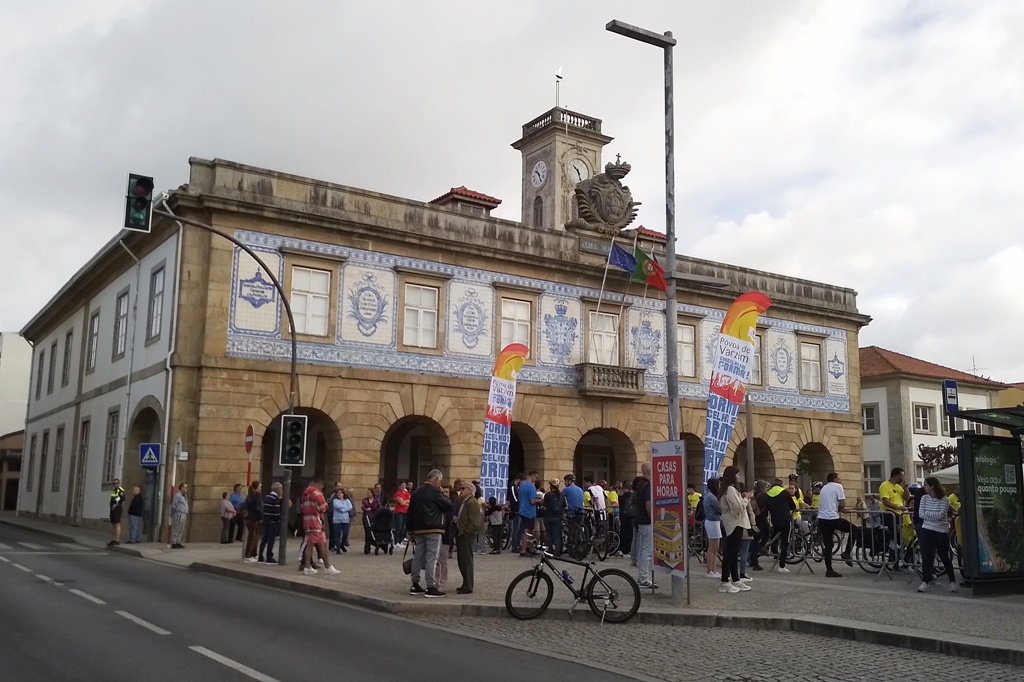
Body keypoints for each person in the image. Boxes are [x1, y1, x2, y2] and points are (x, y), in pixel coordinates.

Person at [408, 469, 452, 598]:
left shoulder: (416, 493)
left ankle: (415, 584)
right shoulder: (434, 492)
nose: (440, 484)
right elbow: (447, 505)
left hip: (418, 529)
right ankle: (430, 586)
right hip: (434, 528)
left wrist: (410, 531)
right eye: (440, 481)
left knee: (418, 556)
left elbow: (410, 513)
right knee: (432, 557)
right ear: (436, 479)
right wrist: (442, 493)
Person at [917, 476, 958, 593]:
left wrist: (928, 515)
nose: (924, 487)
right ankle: (925, 581)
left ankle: (952, 581)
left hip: (941, 531)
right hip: (927, 529)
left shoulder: (944, 499)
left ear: (932, 486)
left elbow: (941, 515)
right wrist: (931, 516)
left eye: (926, 485)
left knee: (944, 556)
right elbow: (921, 514)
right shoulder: (924, 498)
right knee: (926, 556)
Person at [718, 466, 751, 593]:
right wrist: (746, 499)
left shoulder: (727, 489)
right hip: (734, 523)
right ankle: (725, 581)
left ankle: (735, 579)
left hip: (734, 523)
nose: (738, 477)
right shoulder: (730, 489)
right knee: (730, 553)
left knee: (733, 552)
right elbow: (737, 508)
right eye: (737, 474)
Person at [817, 472, 854, 577]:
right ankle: (847, 552)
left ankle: (829, 569)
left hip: (822, 518)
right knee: (854, 529)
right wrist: (842, 509)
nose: (840, 480)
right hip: (832, 518)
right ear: (835, 479)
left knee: (828, 545)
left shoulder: (824, 488)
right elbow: (842, 504)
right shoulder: (838, 487)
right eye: (839, 478)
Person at [300, 477, 339, 576]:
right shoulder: (317, 493)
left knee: (310, 545)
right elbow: (323, 507)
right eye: (322, 487)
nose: (321, 489)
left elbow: (302, 508)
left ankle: (308, 566)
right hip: (316, 522)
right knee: (322, 544)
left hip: (307, 522)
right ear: (319, 485)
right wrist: (326, 504)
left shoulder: (305, 494)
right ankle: (327, 567)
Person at [456, 480, 481, 594]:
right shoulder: (465, 502)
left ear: (470, 491)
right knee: (462, 561)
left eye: (463, 489)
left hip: (467, 535)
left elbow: (475, 522)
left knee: (466, 561)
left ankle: (468, 585)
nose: (461, 491)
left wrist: (466, 532)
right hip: (461, 534)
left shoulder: (472, 502)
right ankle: (465, 583)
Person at [879, 467, 908, 566]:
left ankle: (895, 555)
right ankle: (892, 554)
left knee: (899, 537)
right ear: (897, 475)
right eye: (902, 475)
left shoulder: (899, 487)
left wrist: (905, 487)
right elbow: (885, 501)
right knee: (896, 532)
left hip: (899, 514)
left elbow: (906, 497)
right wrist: (898, 507)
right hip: (889, 513)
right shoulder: (885, 485)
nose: (903, 477)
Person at [765, 478, 795, 573]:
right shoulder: (784, 493)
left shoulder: (768, 494)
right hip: (785, 519)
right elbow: (793, 506)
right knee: (785, 542)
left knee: (775, 538)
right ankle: (782, 565)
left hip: (774, 519)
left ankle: (773, 553)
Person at [634, 463, 653, 588]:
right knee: (647, 550)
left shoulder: (639, 485)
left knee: (642, 549)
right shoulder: (648, 486)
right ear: (649, 471)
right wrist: (653, 518)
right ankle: (644, 578)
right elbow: (648, 505)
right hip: (647, 520)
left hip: (640, 520)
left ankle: (641, 576)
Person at [517, 471, 543, 557]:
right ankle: (524, 550)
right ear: (533, 476)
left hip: (522, 509)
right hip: (529, 512)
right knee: (528, 531)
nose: (536, 479)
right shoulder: (531, 486)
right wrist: (539, 500)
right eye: (536, 477)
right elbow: (532, 501)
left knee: (526, 530)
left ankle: (530, 548)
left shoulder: (522, 484)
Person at [737, 483, 757, 582]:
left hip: (734, 527)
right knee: (744, 551)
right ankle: (742, 573)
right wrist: (753, 524)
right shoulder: (745, 499)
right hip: (745, 526)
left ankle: (731, 573)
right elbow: (751, 513)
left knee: (734, 551)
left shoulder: (734, 497)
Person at [259, 482, 283, 564]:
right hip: (273, 522)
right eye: (281, 489)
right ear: (278, 490)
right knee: (271, 540)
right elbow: (276, 512)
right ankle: (269, 557)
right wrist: (279, 520)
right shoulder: (275, 499)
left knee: (265, 539)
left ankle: (260, 556)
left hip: (266, 520)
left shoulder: (267, 497)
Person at [704, 478, 723, 578]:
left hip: (712, 521)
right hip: (713, 521)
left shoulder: (708, 495)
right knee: (712, 547)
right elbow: (720, 509)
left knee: (715, 548)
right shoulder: (712, 497)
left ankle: (713, 570)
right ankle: (710, 570)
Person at [543, 480, 565, 556]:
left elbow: (544, 505)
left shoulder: (547, 495)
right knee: (557, 535)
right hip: (558, 518)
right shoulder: (561, 495)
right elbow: (564, 506)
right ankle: (558, 551)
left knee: (548, 534)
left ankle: (550, 551)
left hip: (548, 517)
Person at [243, 481, 264, 562]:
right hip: (254, 518)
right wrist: (261, 517)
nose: (261, 488)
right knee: (253, 537)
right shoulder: (257, 496)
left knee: (254, 536)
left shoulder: (250, 496)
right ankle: (249, 554)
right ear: (257, 487)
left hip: (249, 518)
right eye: (260, 486)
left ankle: (254, 553)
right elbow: (259, 508)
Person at [331, 486, 354, 554]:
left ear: (343, 494)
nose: (339, 494)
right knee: (337, 534)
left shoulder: (347, 500)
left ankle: (342, 544)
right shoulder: (335, 500)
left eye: (340, 493)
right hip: (337, 520)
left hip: (345, 520)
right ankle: (338, 548)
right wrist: (345, 506)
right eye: (338, 493)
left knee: (345, 533)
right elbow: (337, 506)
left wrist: (343, 510)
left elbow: (350, 507)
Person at [618, 482, 635, 559]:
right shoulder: (630, 495)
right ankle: (627, 549)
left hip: (622, 514)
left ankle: (621, 549)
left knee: (623, 532)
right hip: (629, 515)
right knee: (629, 533)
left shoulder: (620, 494)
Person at [361, 487, 380, 554]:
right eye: (367, 492)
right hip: (366, 517)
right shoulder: (365, 500)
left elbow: (378, 508)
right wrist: (366, 509)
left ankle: (375, 543)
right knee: (367, 532)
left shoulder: (376, 500)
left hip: (374, 517)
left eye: (369, 492)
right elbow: (363, 507)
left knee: (373, 531)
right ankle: (367, 546)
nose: (368, 494)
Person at [170, 483, 189, 549]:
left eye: (187, 487)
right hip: (179, 513)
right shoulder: (178, 495)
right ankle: (174, 542)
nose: (186, 489)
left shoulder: (185, 496)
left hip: (184, 513)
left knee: (181, 529)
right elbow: (174, 505)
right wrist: (173, 513)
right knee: (177, 528)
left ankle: (178, 541)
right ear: (181, 488)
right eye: (185, 487)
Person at [108, 478, 126, 547]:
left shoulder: (120, 490)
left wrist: (115, 505)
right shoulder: (114, 491)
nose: (115, 484)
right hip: (112, 510)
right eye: (114, 483)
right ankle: (113, 539)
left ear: (119, 484)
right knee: (113, 524)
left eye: (116, 483)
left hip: (117, 509)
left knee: (117, 524)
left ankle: (117, 540)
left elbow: (122, 499)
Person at [393, 481, 411, 546]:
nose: (404, 486)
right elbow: (401, 503)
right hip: (399, 512)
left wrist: (405, 501)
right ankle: (396, 542)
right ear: (399, 486)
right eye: (402, 485)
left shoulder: (407, 493)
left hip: (405, 511)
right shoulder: (398, 493)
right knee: (399, 527)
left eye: (404, 485)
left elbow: (410, 500)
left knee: (403, 527)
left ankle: (400, 541)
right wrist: (406, 502)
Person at [508, 473, 523, 552]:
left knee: (519, 528)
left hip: (519, 509)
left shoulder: (517, 487)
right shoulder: (513, 487)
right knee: (516, 528)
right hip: (516, 509)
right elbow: (514, 499)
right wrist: (521, 501)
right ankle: (514, 546)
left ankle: (517, 544)